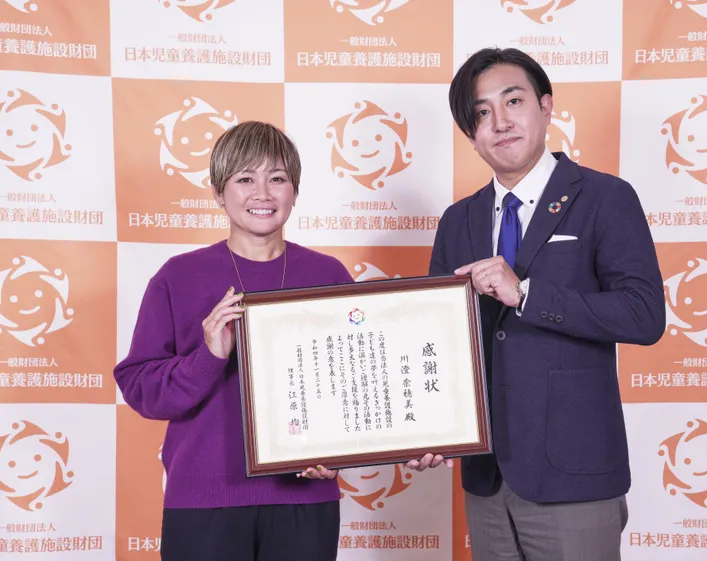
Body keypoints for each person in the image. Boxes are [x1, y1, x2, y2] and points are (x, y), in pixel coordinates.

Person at [406, 48, 667, 560]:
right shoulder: (458, 221)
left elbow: (643, 314)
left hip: (574, 476)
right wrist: (426, 428)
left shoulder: (605, 197)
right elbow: (437, 342)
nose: (500, 122)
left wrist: (526, 294)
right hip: (487, 477)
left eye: (513, 101)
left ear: (546, 106)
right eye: (481, 113)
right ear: (470, 134)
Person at [114, 121, 353, 561]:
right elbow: (141, 389)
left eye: (277, 178)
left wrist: (342, 454)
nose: (262, 193)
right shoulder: (178, 276)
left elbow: (356, 386)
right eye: (245, 179)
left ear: (295, 191)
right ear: (218, 193)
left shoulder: (328, 275)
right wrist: (208, 355)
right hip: (204, 500)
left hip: (305, 498)